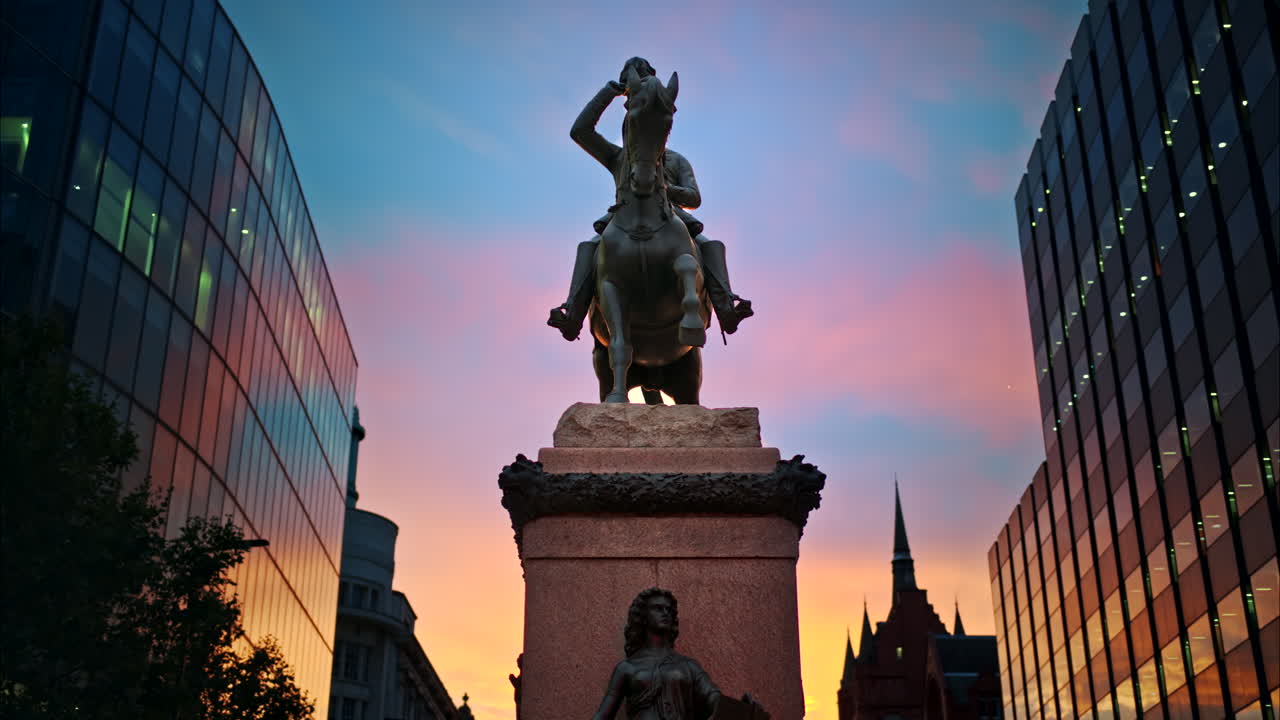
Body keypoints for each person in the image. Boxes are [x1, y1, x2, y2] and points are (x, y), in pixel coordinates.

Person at [548, 57, 754, 342]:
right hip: (623, 215)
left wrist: (665, 189)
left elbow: (694, 198)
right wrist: (610, 90)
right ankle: (573, 315)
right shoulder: (619, 157)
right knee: (588, 248)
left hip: (670, 215)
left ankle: (725, 306)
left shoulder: (677, 160)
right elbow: (580, 132)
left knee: (711, 245)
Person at [590, 588, 721, 720]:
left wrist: (738, 705)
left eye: (669, 610)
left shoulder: (688, 666)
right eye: (658, 608)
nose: (665, 613)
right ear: (644, 617)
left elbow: (712, 695)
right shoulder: (627, 667)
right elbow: (602, 716)